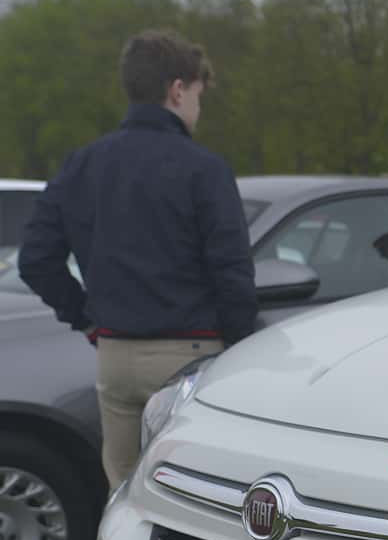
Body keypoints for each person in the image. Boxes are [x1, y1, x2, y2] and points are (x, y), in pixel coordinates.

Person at [18, 29, 256, 488]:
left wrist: (87, 319)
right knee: (194, 492)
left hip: (115, 357)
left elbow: (36, 260)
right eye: (198, 97)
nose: (198, 111)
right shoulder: (203, 169)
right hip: (191, 356)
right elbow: (232, 273)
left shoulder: (81, 164)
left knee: (124, 493)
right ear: (178, 89)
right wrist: (240, 345)